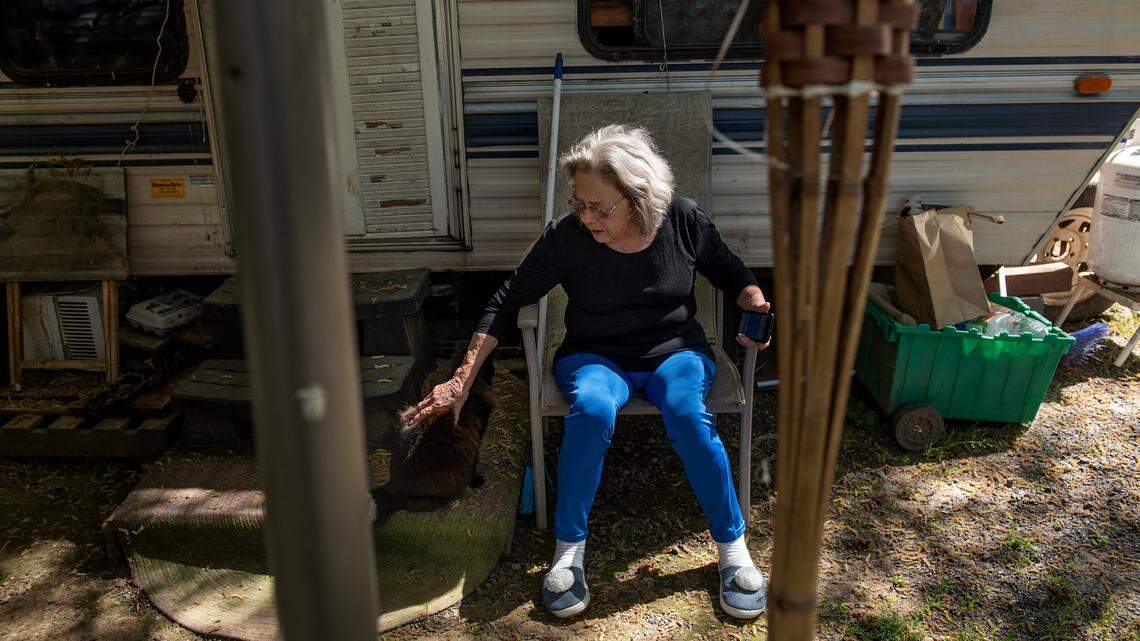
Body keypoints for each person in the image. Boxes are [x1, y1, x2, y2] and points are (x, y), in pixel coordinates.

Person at [402, 125, 771, 619]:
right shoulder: (567, 237)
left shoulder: (682, 220)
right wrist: (461, 378)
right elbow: (506, 301)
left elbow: (732, 272)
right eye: (579, 203)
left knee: (686, 410)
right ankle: (568, 551)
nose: (586, 217)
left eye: (600, 207)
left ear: (638, 199)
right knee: (593, 410)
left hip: (675, 350)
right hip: (595, 355)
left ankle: (732, 548)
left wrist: (754, 301)